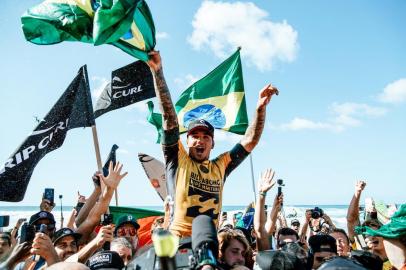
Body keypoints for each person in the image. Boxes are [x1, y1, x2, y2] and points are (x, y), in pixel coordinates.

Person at [147, 51, 279, 237]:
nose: (200, 140)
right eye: (195, 136)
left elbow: (250, 141)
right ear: (187, 141)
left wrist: (260, 109)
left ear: (213, 143)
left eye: (206, 137)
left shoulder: (221, 165)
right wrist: (157, 72)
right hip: (178, 242)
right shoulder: (177, 159)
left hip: (210, 245)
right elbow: (169, 118)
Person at [356, 204, 406, 270]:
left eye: (376, 234)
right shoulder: (365, 256)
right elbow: (355, 229)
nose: (372, 237)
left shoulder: (398, 260)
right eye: (368, 235)